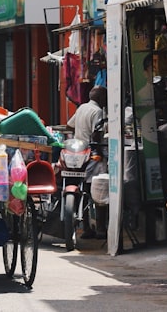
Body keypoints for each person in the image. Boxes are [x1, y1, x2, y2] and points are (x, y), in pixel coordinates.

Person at [67, 85, 108, 239]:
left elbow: (69, 125)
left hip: (78, 154)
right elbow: (96, 133)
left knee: (83, 189)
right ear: (100, 98)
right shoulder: (97, 111)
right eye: (105, 97)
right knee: (98, 190)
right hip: (93, 155)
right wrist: (98, 153)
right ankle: (100, 228)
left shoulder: (82, 107)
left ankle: (86, 228)